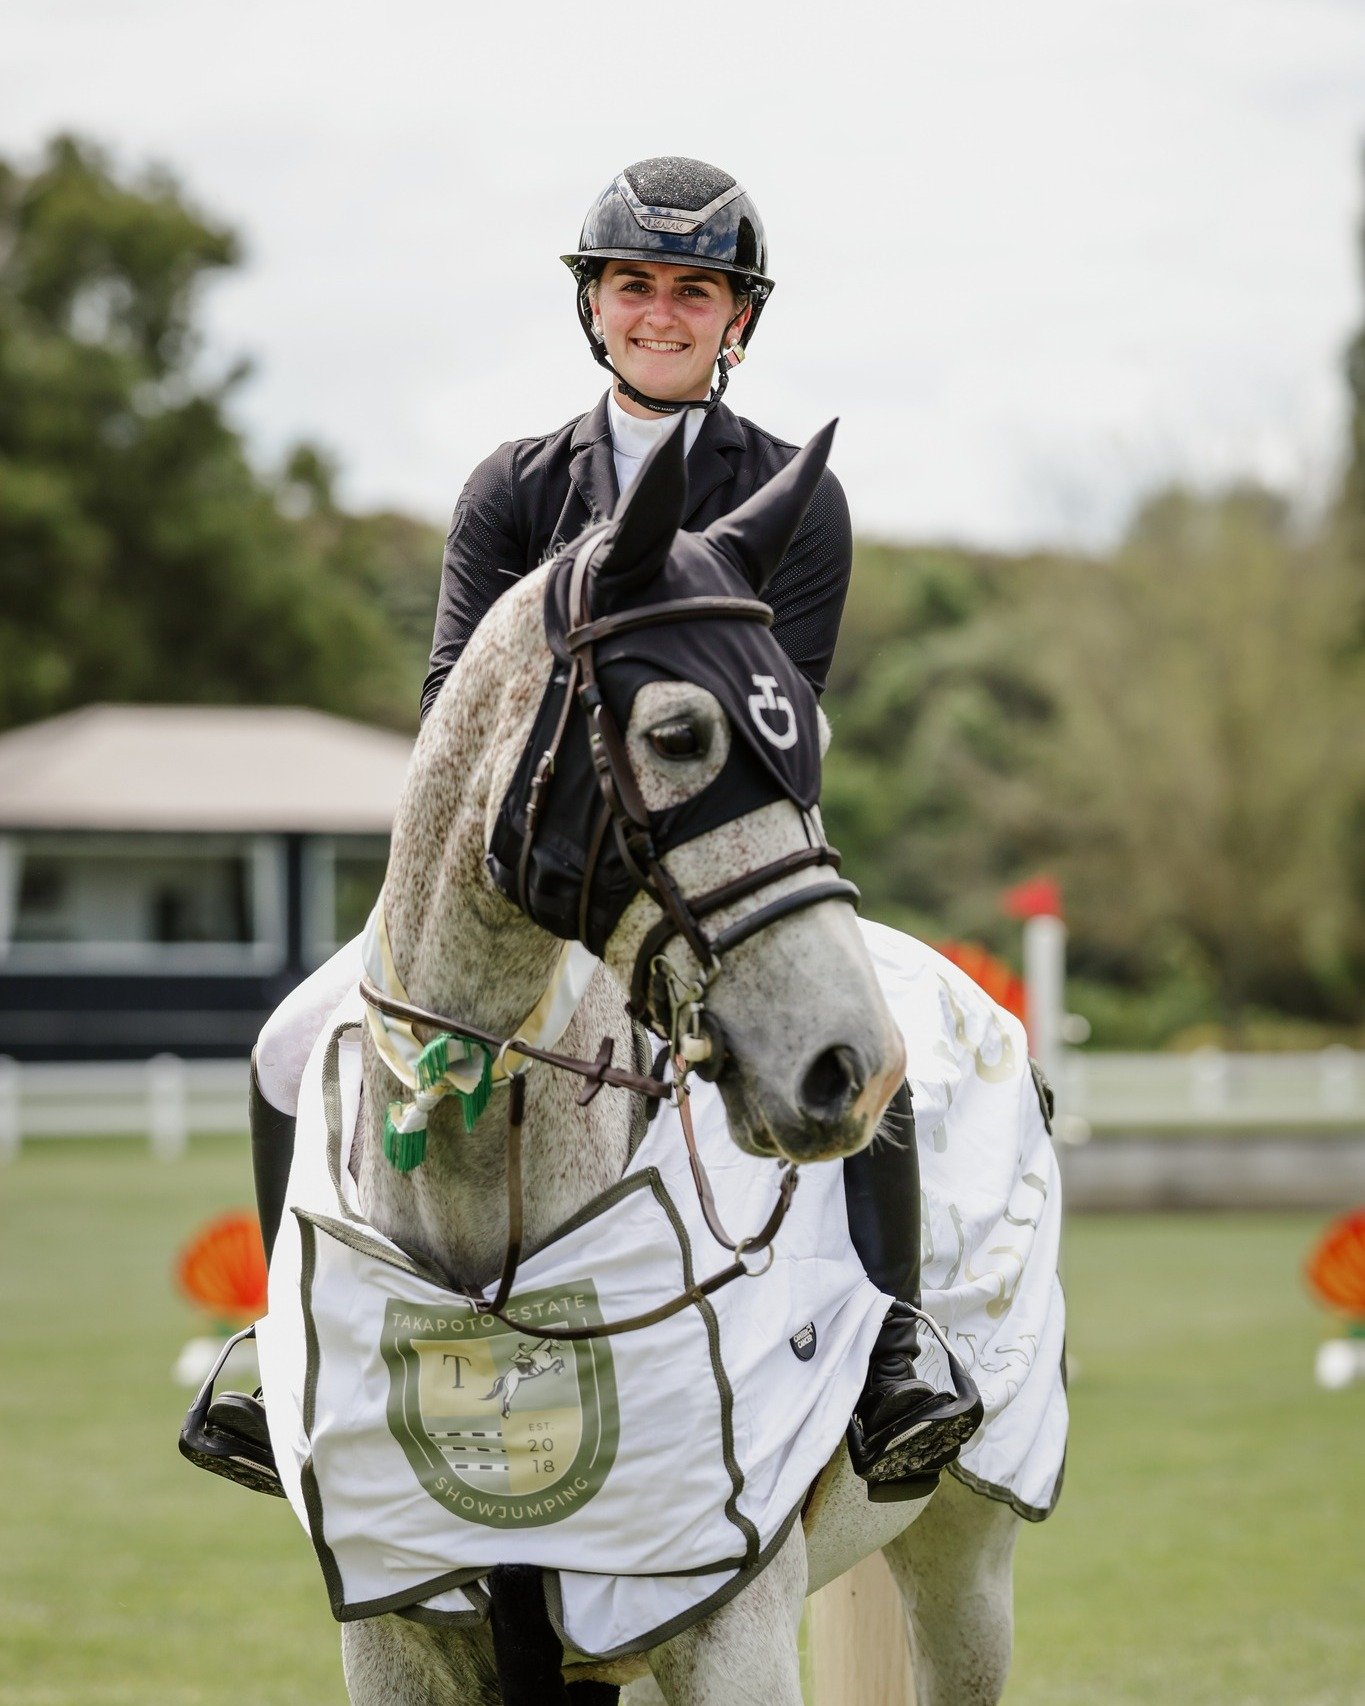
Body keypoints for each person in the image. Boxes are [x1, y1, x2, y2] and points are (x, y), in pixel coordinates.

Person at [246, 157, 982, 1498]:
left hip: (718, 874)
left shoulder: (791, 499)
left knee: (870, 1049)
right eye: (633, 285)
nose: (661, 312)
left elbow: (780, 722)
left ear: (736, 318)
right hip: (516, 883)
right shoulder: (513, 487)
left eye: (692, 291)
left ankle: (891, 1350)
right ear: (594, 308)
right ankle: (274, 1346)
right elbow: (448, 722)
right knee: (287, 1042)